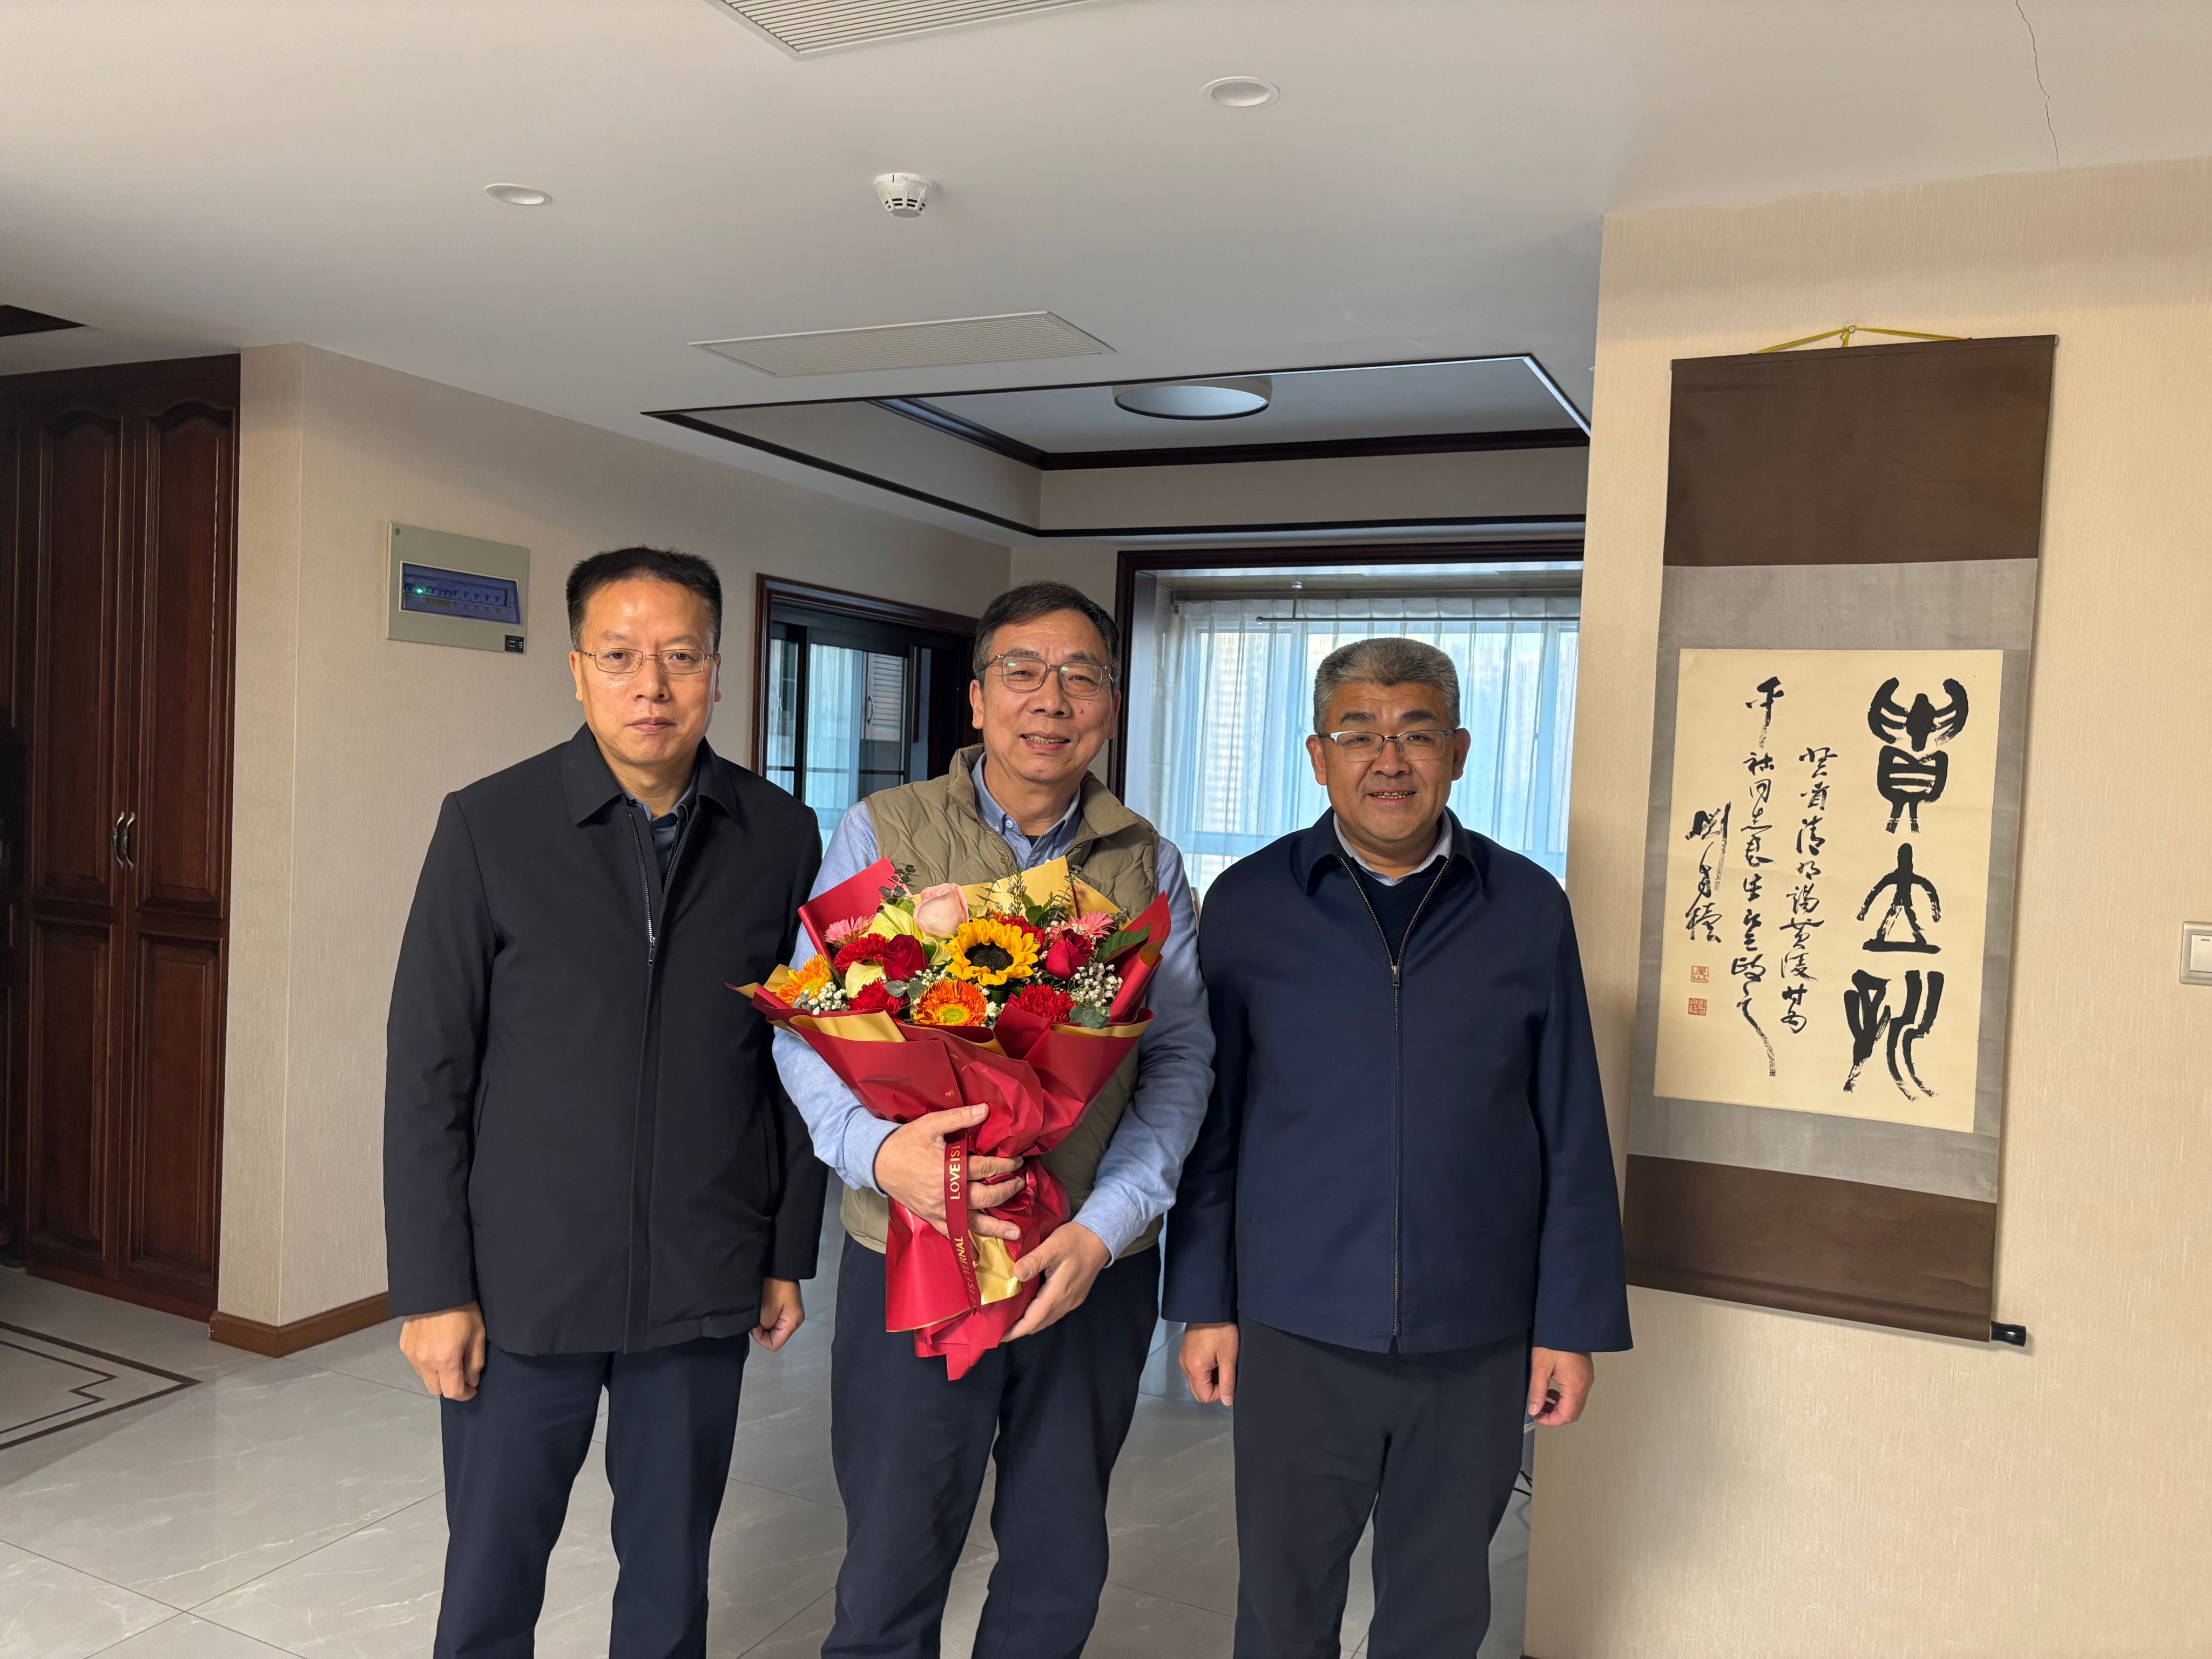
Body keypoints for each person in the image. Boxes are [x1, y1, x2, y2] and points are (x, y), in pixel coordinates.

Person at [383, 547, 826, 1659]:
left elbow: (800, 1058)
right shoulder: (490, 824)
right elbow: (428, 1068)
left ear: (717, 669)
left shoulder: (779, 834)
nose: (652, 687)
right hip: (523, 1278)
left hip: (702, 1269)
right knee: (492, 1571)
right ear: (576, 670)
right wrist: (434, 1288)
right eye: (621, 657)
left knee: (671, 1573)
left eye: (681, 656)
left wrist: (784, 1251)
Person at [1165, 636, 1631, 1659]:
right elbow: (1211, 1121)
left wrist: (1570, 1324)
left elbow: (1571, 1126)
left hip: (1476, 1330)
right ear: (1316, 756)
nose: (1389, 760)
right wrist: (1205, 1303)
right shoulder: (1250, 903)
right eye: (1359, 735)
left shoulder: (1526, 907)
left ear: (1457, 753)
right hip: (1294, 1323)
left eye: (1416, 734)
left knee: (1441, 1611)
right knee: (1282, 1607)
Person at [774, 579, 1213, 1659]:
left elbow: (1177, 1057)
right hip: (911, 1247)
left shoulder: (1147, 861)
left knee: (1058, 1560)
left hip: (1085, 1266)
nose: (1049, 700)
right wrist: (881, 1154)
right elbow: (810, 1023)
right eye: (1022, 671)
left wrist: (1109, 1223)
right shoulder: (884, 830)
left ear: (1110, 706)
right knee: (890, 1555)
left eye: (1080, 677)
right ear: (976, 699)